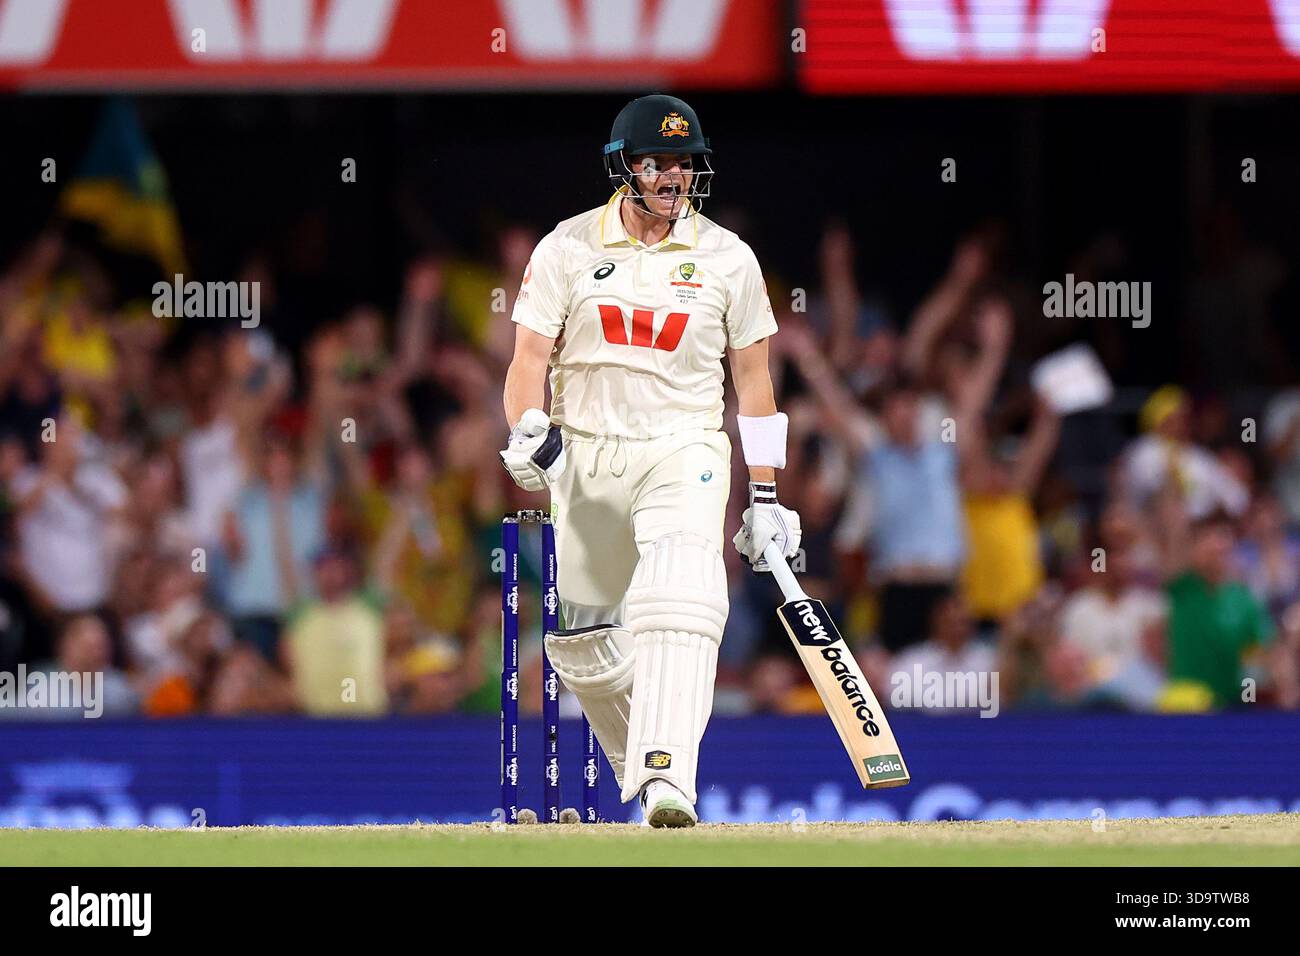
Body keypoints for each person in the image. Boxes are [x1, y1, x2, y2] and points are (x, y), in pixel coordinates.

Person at [498, 94, 799, 827]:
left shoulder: (728, 257)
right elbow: (528, 359)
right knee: (582, 648)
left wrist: (765, 495)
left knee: (681, 588)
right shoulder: (567, 247)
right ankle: (652, 764)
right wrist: (527, 427)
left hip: (684, 445)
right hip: (589, 455)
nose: (674, 176)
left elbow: (754, 381)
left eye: (685, 162)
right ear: (623, 167)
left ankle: (668, 778)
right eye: (658, 162)